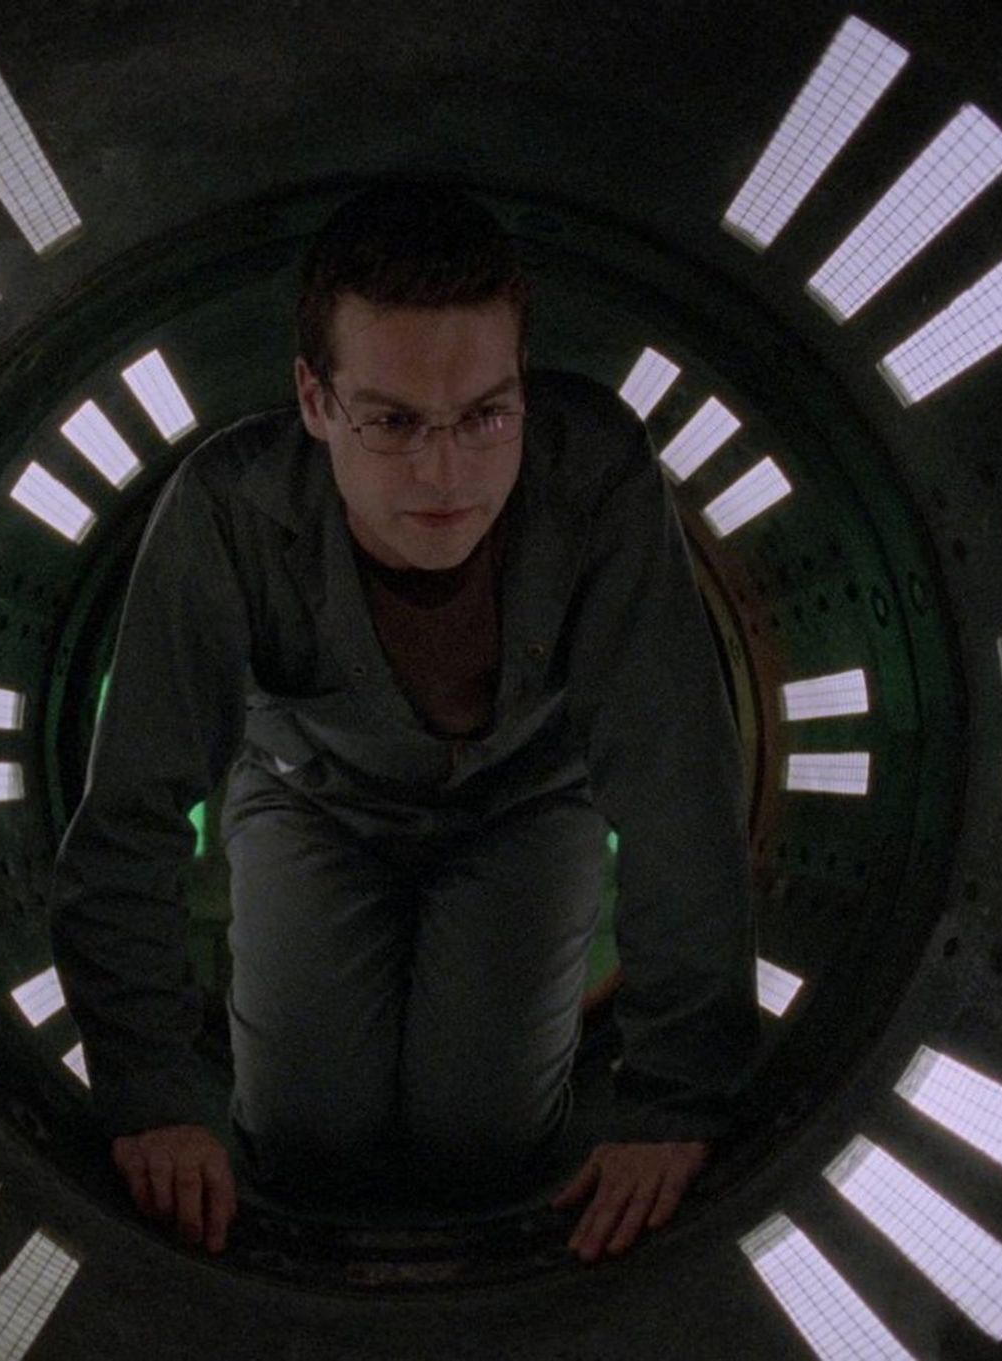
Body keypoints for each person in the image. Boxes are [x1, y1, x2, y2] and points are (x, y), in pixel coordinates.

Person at [47, 181, 758, 1264]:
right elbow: (133, 803)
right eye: (391, 421)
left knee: (483, 1144)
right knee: (304, 1141)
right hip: (310, 802)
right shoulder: (230, 507)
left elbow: (676, 780)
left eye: (486, 416)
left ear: (524, 384)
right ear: (315, 399)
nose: (445, 472)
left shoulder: (595, 471)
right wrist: (149, 1090)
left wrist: (675, 1095)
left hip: (530, 804)